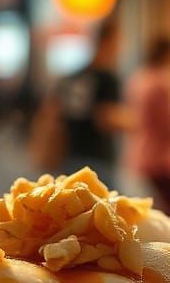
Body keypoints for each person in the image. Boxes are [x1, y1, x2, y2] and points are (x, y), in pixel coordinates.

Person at [38, 18, 128, 185]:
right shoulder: (106, 78)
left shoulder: (71, 77)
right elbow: (106, 118)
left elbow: (50, 110)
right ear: (110, 41)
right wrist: (132, 121)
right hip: (97, 159)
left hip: (68, 155)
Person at [124, 36, 170, 216]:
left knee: (145, 214)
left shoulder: (138, 79)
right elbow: (169, 127)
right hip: (160, 159)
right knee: (169, 216)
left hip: (138, 154)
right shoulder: (160, 84)